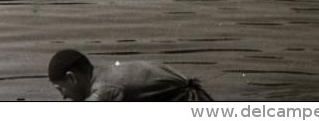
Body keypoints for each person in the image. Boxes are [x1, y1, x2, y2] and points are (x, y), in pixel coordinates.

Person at [48, 49, 213, 101]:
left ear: (72, 78)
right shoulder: (109, 72)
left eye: (61, 89)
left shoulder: (104, 89)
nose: (63, 96)